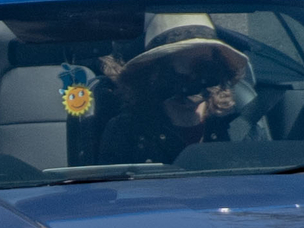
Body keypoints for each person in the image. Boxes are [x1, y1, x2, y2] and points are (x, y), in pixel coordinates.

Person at [98, 13, 261, 165]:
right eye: (179, 62)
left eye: (203, 65)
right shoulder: (127, 132)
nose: (192, 78)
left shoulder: (239, 128)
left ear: (218, 67)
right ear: (153, 74)